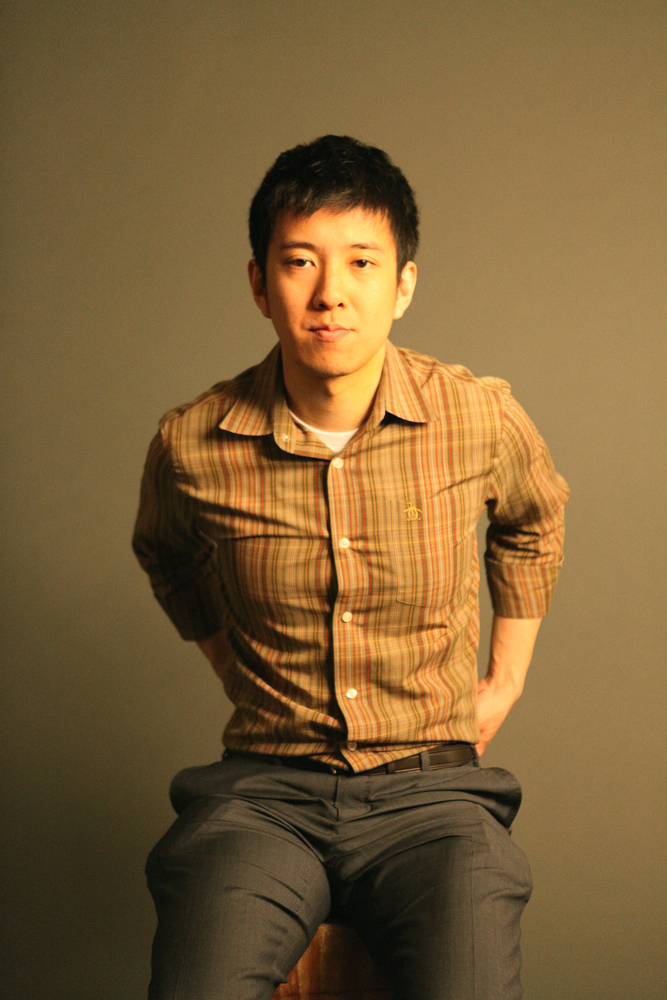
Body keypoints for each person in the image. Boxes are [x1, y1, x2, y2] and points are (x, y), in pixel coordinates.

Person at [133, 134, 569, 1000]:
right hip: (261, 797)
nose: (330, 292)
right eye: (299, 261)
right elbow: (166, 551)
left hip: (434, 801)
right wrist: (232, 664)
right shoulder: (193, 441)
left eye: (361, 262)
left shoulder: (477, 416)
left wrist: (506, 677)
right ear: (260, 284)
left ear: (402, 284)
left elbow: (534, 519)